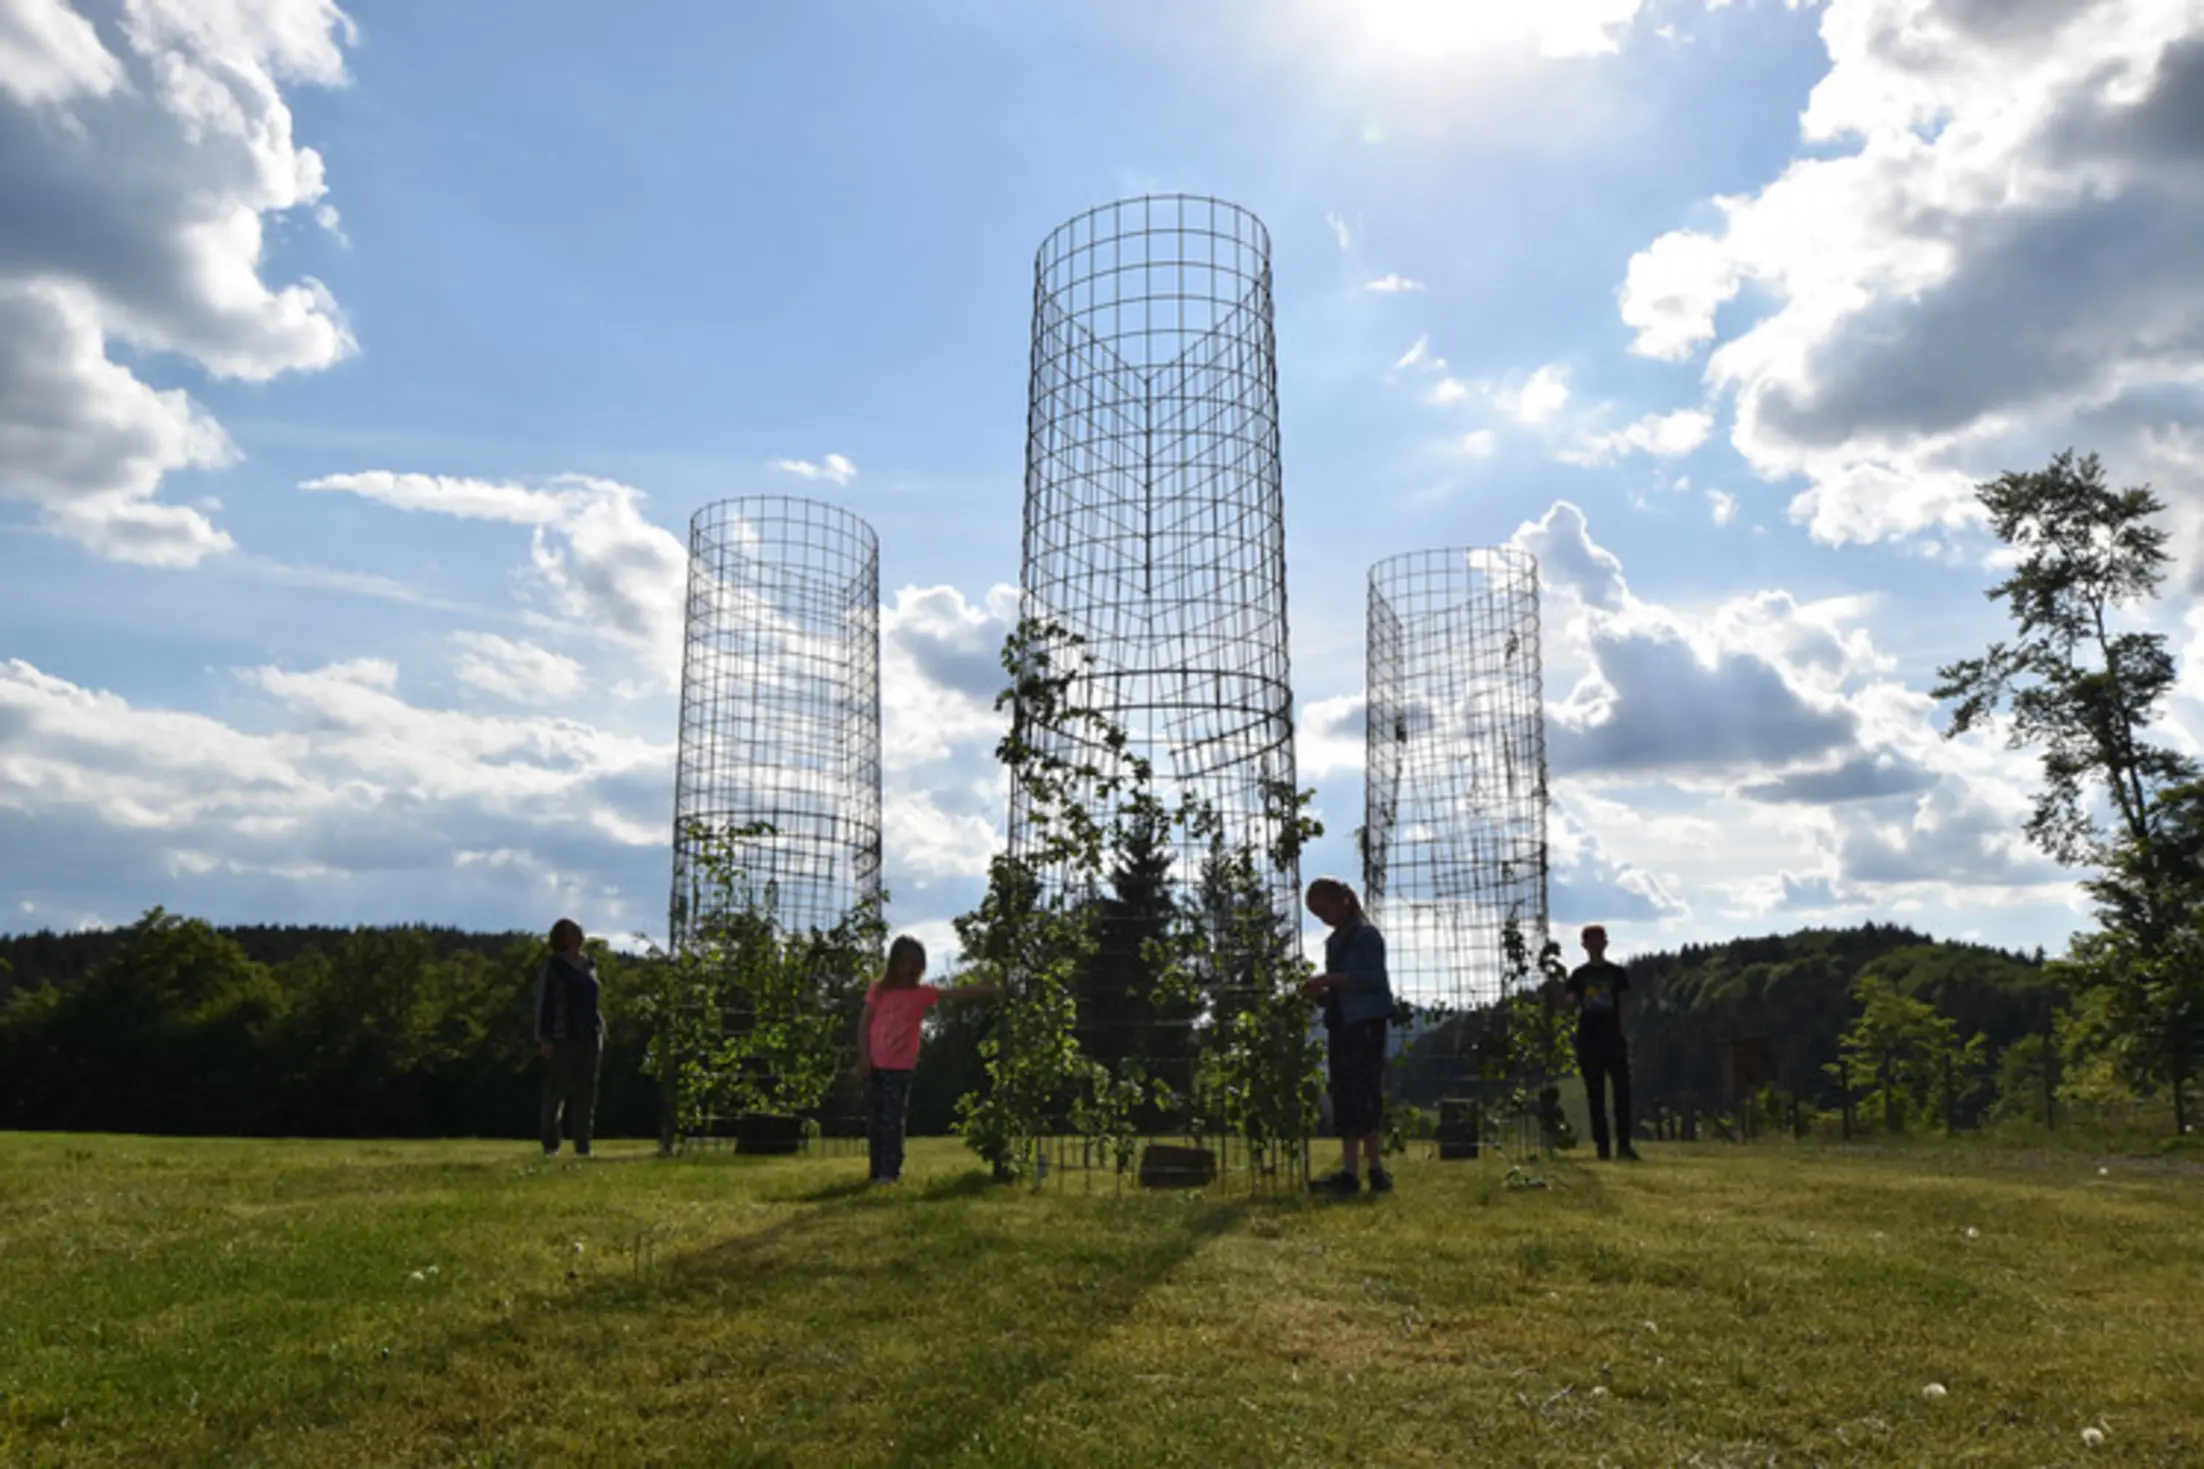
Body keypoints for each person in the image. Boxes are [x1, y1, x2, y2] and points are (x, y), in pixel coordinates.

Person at [855, 936, 994, 1185]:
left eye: (914, 963)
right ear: (894, 962)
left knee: (893, 1121)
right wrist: (864, 1057)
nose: (908, 968)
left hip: (900, 1068)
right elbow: (864, 1023)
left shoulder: (922, 994)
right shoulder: (879, 990)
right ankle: (875, 1171)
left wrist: (988, 988)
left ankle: (890, 1172)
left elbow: (955, 993)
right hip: (875, 1064)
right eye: (903, 961)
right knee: (875, 1121)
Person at [1302, 877, 1395, 1196]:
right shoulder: (1334, 942)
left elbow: (1372, 978)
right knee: (1344, 1095)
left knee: (1366, 1095)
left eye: (1323, 909)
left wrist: (1330, 979)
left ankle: (1375, 1169)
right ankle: (1350, 1173)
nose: (1323, 918)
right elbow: (1340, 992)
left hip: (1367, 1024)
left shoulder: (1366, 936)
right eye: (1316, 915)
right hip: (1342, 1023)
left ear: (1341, 900)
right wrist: (1319, 996)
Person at [1562, 923, 1639, 1161]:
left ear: (1606, 943)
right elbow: (1570, 1007)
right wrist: (1556, 994)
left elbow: (1625, 1002)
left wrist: (1624, 1030)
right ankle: (1602, 1148)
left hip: (1614, 1039)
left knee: (1622, 1094)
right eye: (1591, 941)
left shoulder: (1617, 974)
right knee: (1595, 1096)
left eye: (1600, 940)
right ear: (1584, 945)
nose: (1596, 945)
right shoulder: (1579, 976)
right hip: (1589, 1040)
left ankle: (1624, 1145)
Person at [536, 917, 604, 1159]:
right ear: (563, 938)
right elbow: (544, 1002)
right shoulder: (553, 966)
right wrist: (544, 1037)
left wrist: (601, 1026)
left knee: (587, 1093)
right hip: (561, 1035)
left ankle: (583, 1146)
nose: (579, 933)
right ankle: (551, 1145)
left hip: (590, 1035)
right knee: (556, 1092)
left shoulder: (589, 964)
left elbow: (593, 1000)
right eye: (573, 931)